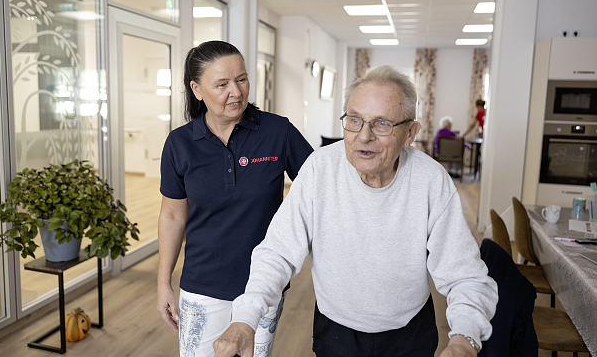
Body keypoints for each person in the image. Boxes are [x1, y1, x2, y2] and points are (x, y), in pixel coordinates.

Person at [213, 65, 498, 357]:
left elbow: (464, 275)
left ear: (410, 133)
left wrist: (465, 339)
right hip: (336, 331)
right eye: (354, 120)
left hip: (410, 332)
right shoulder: (319, 169)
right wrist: (244, 319)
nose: (364, 136)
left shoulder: (430, 179)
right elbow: (278, 252)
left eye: (382, 123)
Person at [156, 40, 314, 357]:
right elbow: (173, 216)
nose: (237, 92)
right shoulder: (179, 144)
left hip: (263, 284)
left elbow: (318, 189)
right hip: (202, 283)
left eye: (241, 79)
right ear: (197, 89)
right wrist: (163, 283)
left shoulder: (277, 131)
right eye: (222, 84)